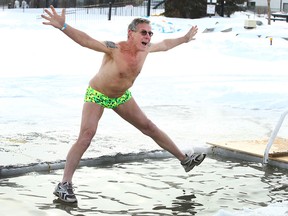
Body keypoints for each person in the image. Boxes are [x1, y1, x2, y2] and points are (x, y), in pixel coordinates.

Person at [41, 5, 206, 203]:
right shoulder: (114, 48)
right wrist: (63, 26)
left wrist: (184, 39)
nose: (148, 37)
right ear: (131, 34)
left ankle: (184, 160)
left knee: (149, 126)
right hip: (97, 95)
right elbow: (86, 41)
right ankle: (64, 184)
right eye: (144, 33)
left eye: (150, 33)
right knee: (86, 136)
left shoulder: (146, 50)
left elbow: (166, 44)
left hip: (121, 96)